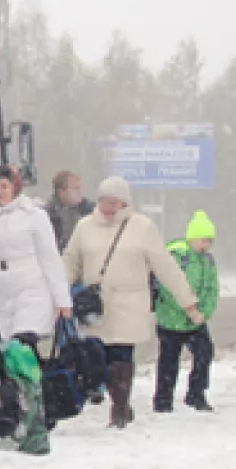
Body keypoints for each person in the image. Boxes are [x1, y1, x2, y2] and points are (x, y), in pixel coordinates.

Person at [62, 176, 202, 429]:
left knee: (121, 356)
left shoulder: (142, 227)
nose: (108, 207)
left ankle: (120, 406)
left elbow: (165, 266)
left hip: (130, 304)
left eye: (114, 202)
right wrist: (59, 295)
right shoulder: (85, 227)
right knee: (97, 355)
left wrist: (188, 301)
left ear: (125, 203)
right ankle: (111, 395)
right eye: (104, 201)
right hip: (96, 306)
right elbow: (70, 263)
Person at [0, 164, 71, 456]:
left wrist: (63, 300)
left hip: (33, 284)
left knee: (24, 347)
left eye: (4, 186)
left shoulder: (34, 216)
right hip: (4, 288)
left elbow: (50, 256)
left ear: (15, 188)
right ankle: (20, 408)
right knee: (7, 352)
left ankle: (38, 414)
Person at [153, 211, 222, 413]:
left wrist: (204, 312)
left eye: (210, 241)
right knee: (168, 360)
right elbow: (168, 286)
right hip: (170, 319)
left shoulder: (208, 262)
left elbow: (212, 289)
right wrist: (186, 307)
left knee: (204, 353)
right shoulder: (177, 255)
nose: (206, 245)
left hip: (195, 321)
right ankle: (163, 400)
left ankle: (196, 393)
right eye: (203, 240)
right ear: (192, 238)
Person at [46, 170, 93, 250]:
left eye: (80, 187)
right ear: (61, 192)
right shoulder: (49, 216)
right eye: (75, 188)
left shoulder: (89, 209)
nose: (80, 192)